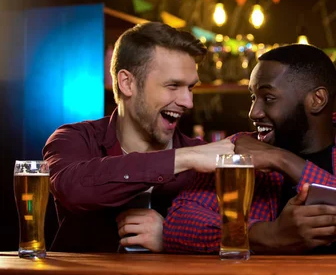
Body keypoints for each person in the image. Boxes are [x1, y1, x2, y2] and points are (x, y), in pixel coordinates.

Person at [163, 44, 336, 254]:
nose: (254, 112)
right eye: (253, 97)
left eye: (268, 98)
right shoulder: (241, 146)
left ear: (317, 100)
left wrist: (284, 161)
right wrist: (267, 234)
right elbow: (177, 222)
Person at [43, 22, 234, 252]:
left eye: (190, 88)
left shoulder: (202, 159)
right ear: (127, 83)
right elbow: (72, 189)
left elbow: (237, 237)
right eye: (173, 86)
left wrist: (174, 237)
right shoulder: (74, 139)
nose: (188, 102)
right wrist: (181, 159)